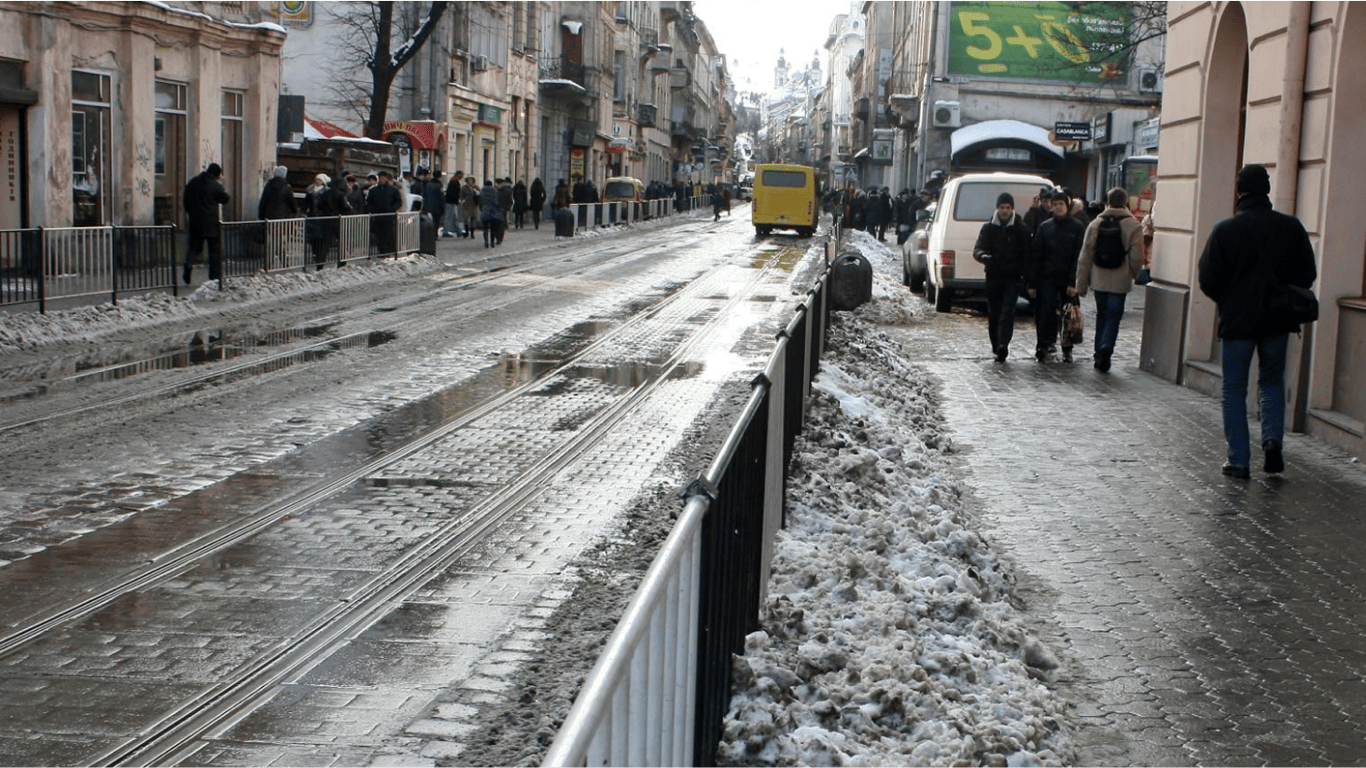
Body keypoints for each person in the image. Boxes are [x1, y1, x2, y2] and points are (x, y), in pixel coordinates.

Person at [1197, 164, 1317, 478]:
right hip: (1278, 318)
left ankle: (1238, 460)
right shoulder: (1291, 227)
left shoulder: (1225, 230)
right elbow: (1307, 274)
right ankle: (1273, 442)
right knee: (1272, 381)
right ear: (1266, 190)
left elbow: (1208, 278)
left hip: (1237, 321)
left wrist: (1229, 297)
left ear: (1240, 191)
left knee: (1234, 389)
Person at [1076, 187, 1146, 372]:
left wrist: (1081, 284)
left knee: (1101, 314)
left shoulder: (1095, 223)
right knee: (1113, 316)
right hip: (1120, 279)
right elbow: (1137, 256)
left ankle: (1098, 352)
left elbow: (1085, 256)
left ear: (1107, 202)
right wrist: (1133, 273)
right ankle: (1107, 346)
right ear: (1125, 203)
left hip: (1099, 278)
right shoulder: (1133, 225)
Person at [973, 192, 1033, 362]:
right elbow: (978, 248)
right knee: (994, 313)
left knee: (1008, 312)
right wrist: (984, 257)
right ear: (997, 208)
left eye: (1007, 207)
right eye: (1002, 207)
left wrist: (1025, 276)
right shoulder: (989, 228)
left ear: (1012, 209)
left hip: (1013, 278)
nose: (1004, 211)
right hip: (993, 276)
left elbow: (1027, 255)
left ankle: (1003, 345)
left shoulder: (1021, 229)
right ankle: (995, 343)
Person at [1028, 187, 1086, 362]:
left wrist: (1074, 282)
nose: (1058, 207)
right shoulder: (1045, 227)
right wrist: (1032, 283)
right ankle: (1043, 346)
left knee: (1069, 315)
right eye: (1055, 204)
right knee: (1045, 313)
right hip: (1047, 278)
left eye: (1061, 203)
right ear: (1051, 206)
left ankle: (1067, 348)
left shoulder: (1077, 227)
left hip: (1067, 278)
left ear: (1067, 206)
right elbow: (1036, 255)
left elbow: (1079, 255)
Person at [182, 162, 230, 285]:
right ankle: (214, 278)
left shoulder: (193, 182)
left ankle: (188, 264)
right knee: (214, 250)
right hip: (211, 223)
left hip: (195, 222)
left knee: (194, 248)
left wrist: (191, 213)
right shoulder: (215, 185)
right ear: (217, 174)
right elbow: (225, 198)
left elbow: (186, 200)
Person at [310, 175, 351, 269]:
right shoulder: (341, 194)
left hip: (326, 220)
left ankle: (320, 264)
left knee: (325, 244)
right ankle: (341, 263)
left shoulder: (325, 193)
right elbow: (346, 207)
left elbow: (319, 206)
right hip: (338, 221)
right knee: (342, 242)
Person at [365, 170, 403, 257]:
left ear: (386, 178)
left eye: (383, 177)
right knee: (379, 236)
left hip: (389, 217)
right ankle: (382, 252)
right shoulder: (373, 190)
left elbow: (398, 201)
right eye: (380, 177)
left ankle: (389, 252)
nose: (381, 179)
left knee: (389, 235)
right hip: (377, 217)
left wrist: (392, 209)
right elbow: (369, 202)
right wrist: (372, 210)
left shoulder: (393, 189)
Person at [480, 179, 504, 248]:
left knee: (485, 228)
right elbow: (496, 202)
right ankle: (492, 242)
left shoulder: (482, 191)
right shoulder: (495, 191)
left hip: (485, 211)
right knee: (493, 228)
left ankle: (486, 242)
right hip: (493, 212)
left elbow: (480, 201)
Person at [443, 171, 465, 238]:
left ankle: (458, 231)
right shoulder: (455, 182)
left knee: (454, 217)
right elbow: (454, 193)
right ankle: (447, 231)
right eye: (461, 175)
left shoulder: (453, 181)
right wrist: (457, 200)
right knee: (450, 217)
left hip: (451, 201)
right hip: (451, 202)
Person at [496, 178, 514, 243]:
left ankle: (499, 238)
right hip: (495, 210)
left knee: (501, 225)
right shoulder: (494, 191)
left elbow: (510, 201)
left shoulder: (507, 191)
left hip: (503, 210)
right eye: (498, 184)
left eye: (500, 183)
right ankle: (496, 237)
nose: (498, 185)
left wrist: (507, 208)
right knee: (495, 225)